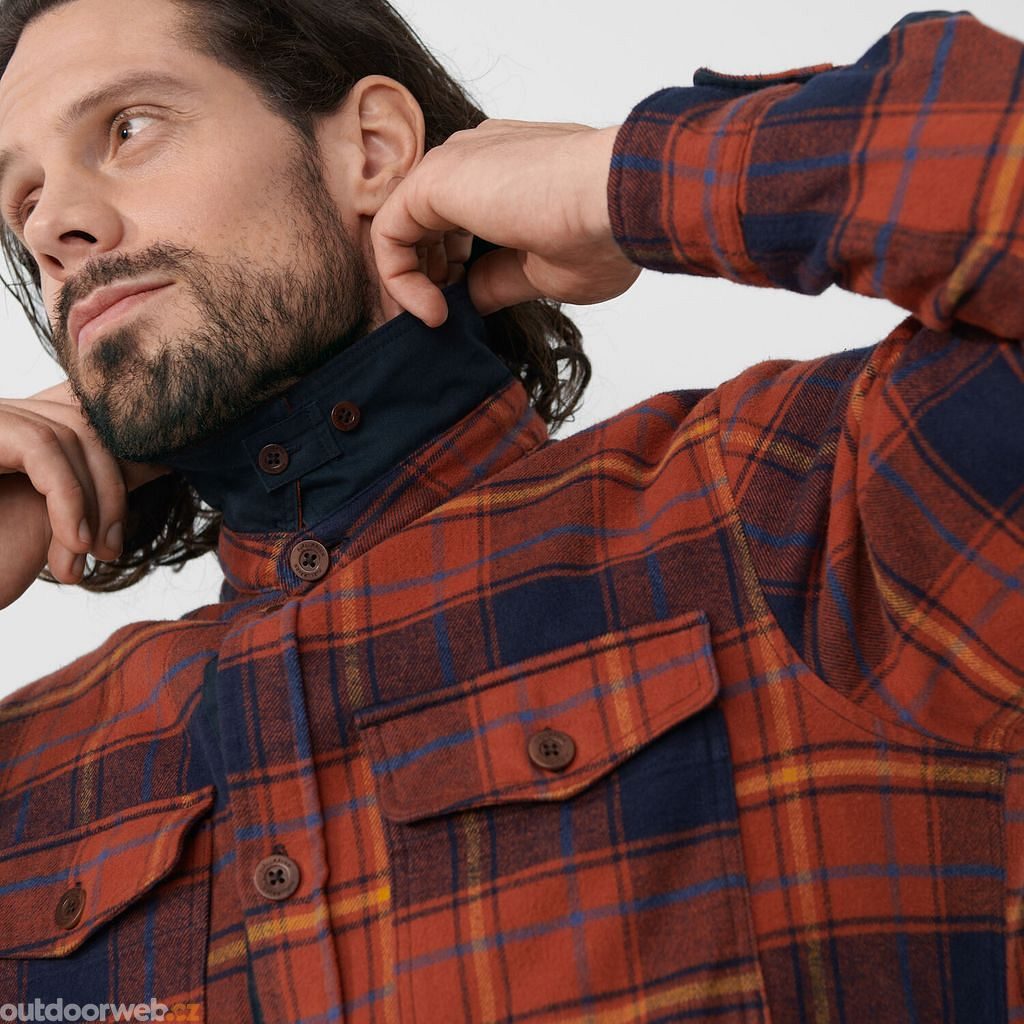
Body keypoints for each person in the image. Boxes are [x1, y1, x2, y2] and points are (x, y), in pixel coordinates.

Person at [0, 0, 1019, 1020]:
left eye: (128, 128)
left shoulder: (794, 504)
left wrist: (617, 174)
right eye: (24, 198)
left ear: (373, 149)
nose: (48, 229)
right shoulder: (40, 767)